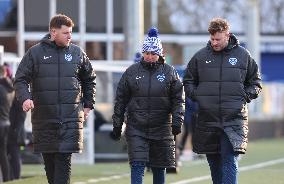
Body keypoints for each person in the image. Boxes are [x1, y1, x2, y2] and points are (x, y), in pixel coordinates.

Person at [14, 14, 96, 184]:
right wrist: (25, 98)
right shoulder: (35, 53)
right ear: (53, 32)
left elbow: (90, 79)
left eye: (71, 32)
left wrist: (88, 104)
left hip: (70, 119)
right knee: (50, 166)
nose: (69, 36)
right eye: (65, 32)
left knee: (63, 162)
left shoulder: (77, 53)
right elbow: (20, 79)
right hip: (44, 119)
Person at [183, 17, 262, 184]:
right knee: (213, 162)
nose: (214, 42)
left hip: (233, 119)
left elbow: (255, 82)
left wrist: (244, 96)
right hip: (207, 119)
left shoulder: (243, 55)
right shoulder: (200, 57)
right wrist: (198, 97)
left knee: (229, 160)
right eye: (212, 39)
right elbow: (188, 81)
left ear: (227, 35)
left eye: (218, 39)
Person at [110, 27, 184, 184]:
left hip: (162, 128)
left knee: (159, 167)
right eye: (147, 53)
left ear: (159, 54)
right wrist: (117, 124)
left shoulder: (170, 73)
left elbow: (178, 99)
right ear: (143, 53)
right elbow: (120, 100)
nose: (150, 56)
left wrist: (177, 121)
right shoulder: (131, 72)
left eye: (153, 53)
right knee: (137, 165)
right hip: (137, 128)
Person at [0, 65, 14, 182]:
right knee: (3, 153)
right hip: (6, 123)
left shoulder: (1, 88)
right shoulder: (10, 89)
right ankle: (6, 178)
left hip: (1, 123)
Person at [7, 97, 27, 180]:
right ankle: (10, 177)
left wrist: (16, 131)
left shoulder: (17, 100)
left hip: (16, 135)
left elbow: (21, 117)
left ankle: (16, 178)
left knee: (15, 156)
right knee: (8, 157)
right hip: (9, 133)